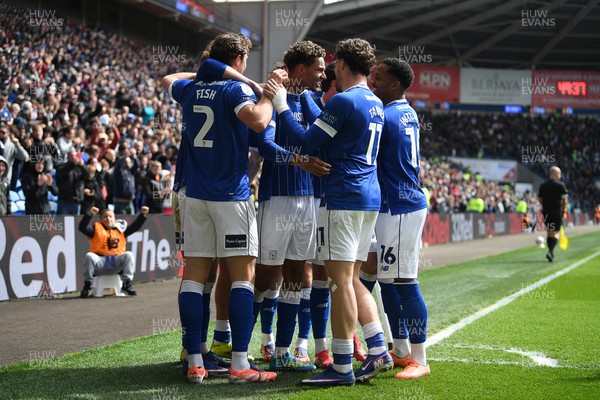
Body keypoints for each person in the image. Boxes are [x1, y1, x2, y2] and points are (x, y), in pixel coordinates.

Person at [266, 37, 392, 386]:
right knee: (350, 279)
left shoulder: (345, 100)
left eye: (333, 64)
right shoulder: (375, 102)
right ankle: (378, 348)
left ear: (342, 65)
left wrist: (281, 106)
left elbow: (307, 141)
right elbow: (329, 128)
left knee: (338, 281)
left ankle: (340, 365)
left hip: (344, 198)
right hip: (369, 197)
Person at [161, 32, 279, 384]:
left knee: (193, 277)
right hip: (230, 194)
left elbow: (168, 79)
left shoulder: (191, 90)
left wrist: (208, 74)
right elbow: (258, 121)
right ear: (240, 59)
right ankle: (240, 364)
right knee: (243, 276)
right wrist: (267, 94)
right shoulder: (236, 90)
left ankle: (195, 361)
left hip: (194, 194)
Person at [251, 40, 327, 373]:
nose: (323, 74)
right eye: (319, 68)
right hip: (277, 198)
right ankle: (238, 349)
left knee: (297, 274)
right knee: (265, 277)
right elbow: (265, 146)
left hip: (308, 198)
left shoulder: (310, 100)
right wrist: (299, 161)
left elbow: (326, 132)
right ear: (301, 69)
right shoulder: (270, 97)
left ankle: (283, 351)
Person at [370, 58, 431, 379]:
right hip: (395, 204)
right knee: (386, 281)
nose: (371, 81)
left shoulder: (386, 116)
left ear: (395, 84)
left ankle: (420, 358)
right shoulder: (404, 111)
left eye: (378, 78)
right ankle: (401, 349)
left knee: (405, 280)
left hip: (401, 206)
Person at [78, 206, 149, 298]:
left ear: (115, 219)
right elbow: (82, 227)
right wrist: (89, 214)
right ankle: (88, 286)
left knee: (129, 255)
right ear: (101, 219)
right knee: (89, 256)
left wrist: (143, 215)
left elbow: (135, 227)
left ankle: (127, 284)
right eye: (105, 217)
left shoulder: (121, 229)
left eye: (111, 216)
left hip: (116, 263)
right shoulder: (95, 229)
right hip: (100, 263)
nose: (108, 219)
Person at [538, 166, 568, 262]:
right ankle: (550, 251)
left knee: (550, 232)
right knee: (556, 233)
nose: (560, 175)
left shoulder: (543, 185)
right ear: (555, 173)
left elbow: (540, 199)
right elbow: (564, 201)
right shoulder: (560, 185)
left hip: (546, 212)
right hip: (556, 212)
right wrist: (563, 211)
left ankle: (550, 252)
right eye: (559, 173)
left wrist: (546, 204)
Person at [56, 149, 89, 215]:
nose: (73, 157)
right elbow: (60, 173)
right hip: (64, 200)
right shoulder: (62, 166)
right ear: (68, 157)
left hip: (76, 200)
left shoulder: (80, 168)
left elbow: (88, 175)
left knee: (75, 223)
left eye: (75, 156)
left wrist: (82, 166)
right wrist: (73, 164)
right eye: (71, 156)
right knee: (62, 222)